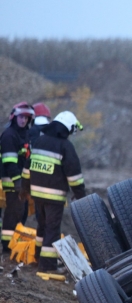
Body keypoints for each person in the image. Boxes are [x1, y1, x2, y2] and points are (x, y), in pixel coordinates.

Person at [21, 111, 86, 272]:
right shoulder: (65, 146)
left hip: (37, 195)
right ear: (68, 128)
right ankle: (48, 266)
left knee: (42, 227)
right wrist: (80, 195)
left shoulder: (40, 141)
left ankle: (38, 257)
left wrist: (24, 188)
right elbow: (74, 175)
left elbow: (27, 168)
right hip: (54, 197)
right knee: (52, 229)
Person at [1, 102, 35, 252]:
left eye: (26, 118)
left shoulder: (24, 134)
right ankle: (7, 248)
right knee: (12, 214)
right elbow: (10, 163)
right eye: (21, 117)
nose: (23, 120)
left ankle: (15, 245)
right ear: (14, 117)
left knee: (21, 213)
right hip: (12, 182)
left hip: (21, 182)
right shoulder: (9, 135)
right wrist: (18, 182)